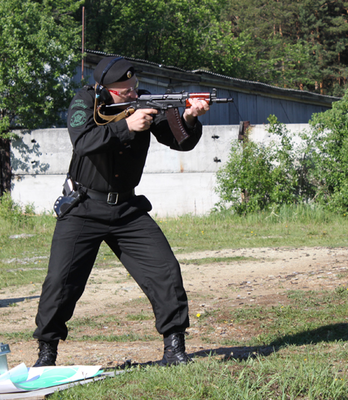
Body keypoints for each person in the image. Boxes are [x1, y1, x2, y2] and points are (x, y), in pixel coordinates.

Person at [32, 56, 209, 367]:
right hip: (84, 207)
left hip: (127, 208)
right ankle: (47, 354)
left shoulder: (144, 103)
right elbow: (84, 141)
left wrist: (191, 117)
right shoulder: (84, 101)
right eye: (125, 91)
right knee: (61, 282)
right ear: (106, 89)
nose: (132, 94)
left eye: (134, 87)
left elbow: (180, 142)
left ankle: (174, 350)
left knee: (165, 271)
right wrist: (126, 126)